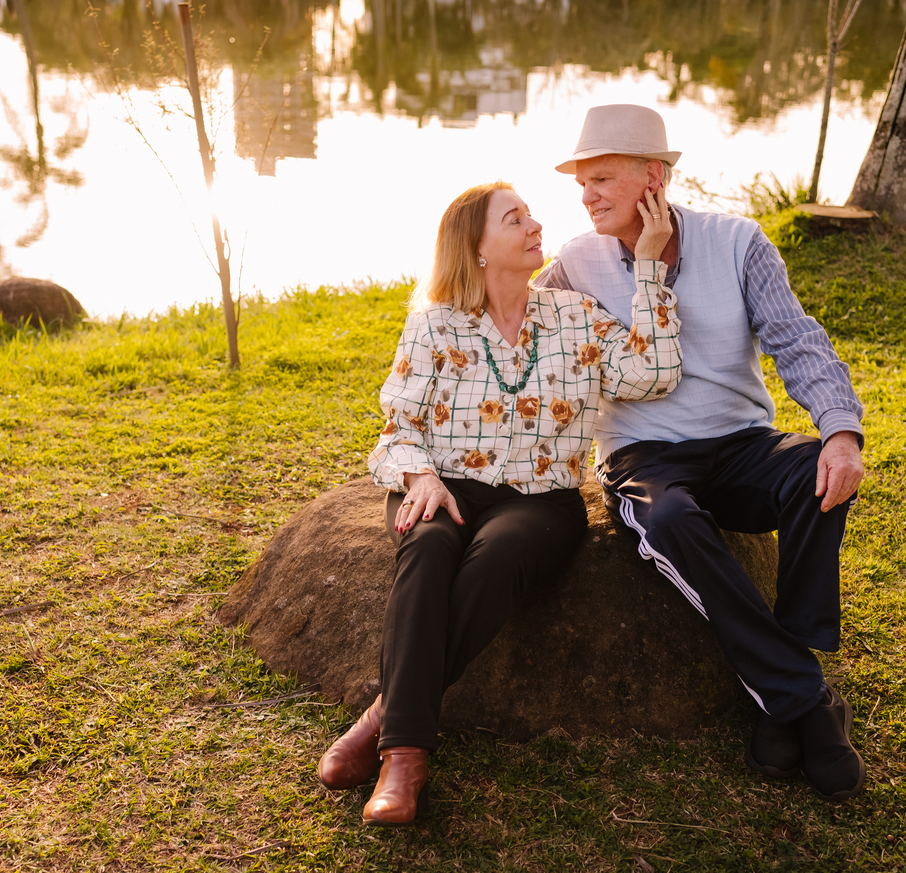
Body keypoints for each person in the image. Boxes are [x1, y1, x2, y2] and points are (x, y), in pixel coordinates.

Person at [317, 180, 683, 826]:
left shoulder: (575, 316)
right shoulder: (433, 324)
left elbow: (653, 371)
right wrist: (420, 476)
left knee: (494, 558)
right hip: (445, 485)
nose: (534, 223)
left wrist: (651, 266)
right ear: (478, 250)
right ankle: (405, 756)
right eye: (514, 219)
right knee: (427, 547)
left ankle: (386, 723)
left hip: (540, 500)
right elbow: (395, 430)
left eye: (529, 213)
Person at [536, 104, 867, 803]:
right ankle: (804, 698)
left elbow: (796, 340)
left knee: (818, 470)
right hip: (641, 457)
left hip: (742, 443)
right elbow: (515, 333)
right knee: (672, 523)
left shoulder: (739, 242)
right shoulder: (574, 261)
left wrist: (840, 430)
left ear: (652, 177)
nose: (585, 194)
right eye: (581, 181)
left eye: (600, 178)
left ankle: (784, 681)